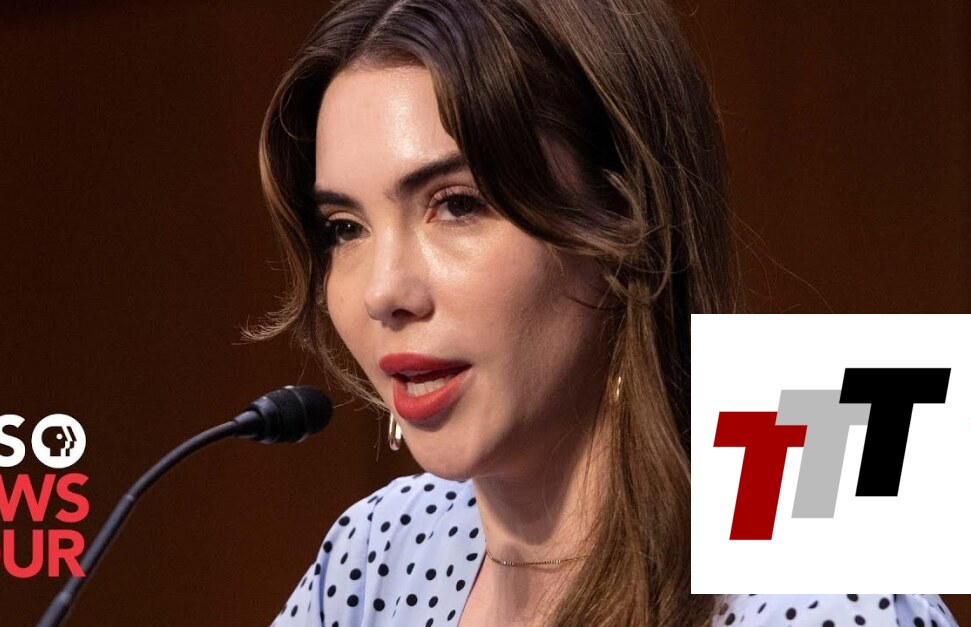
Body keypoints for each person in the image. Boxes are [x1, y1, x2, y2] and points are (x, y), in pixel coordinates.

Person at [248, 0, 959, 625]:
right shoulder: (375, 550)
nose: (382, 291)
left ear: (624, 214)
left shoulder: (818, 575)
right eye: (345, 227)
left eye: (457, 204)